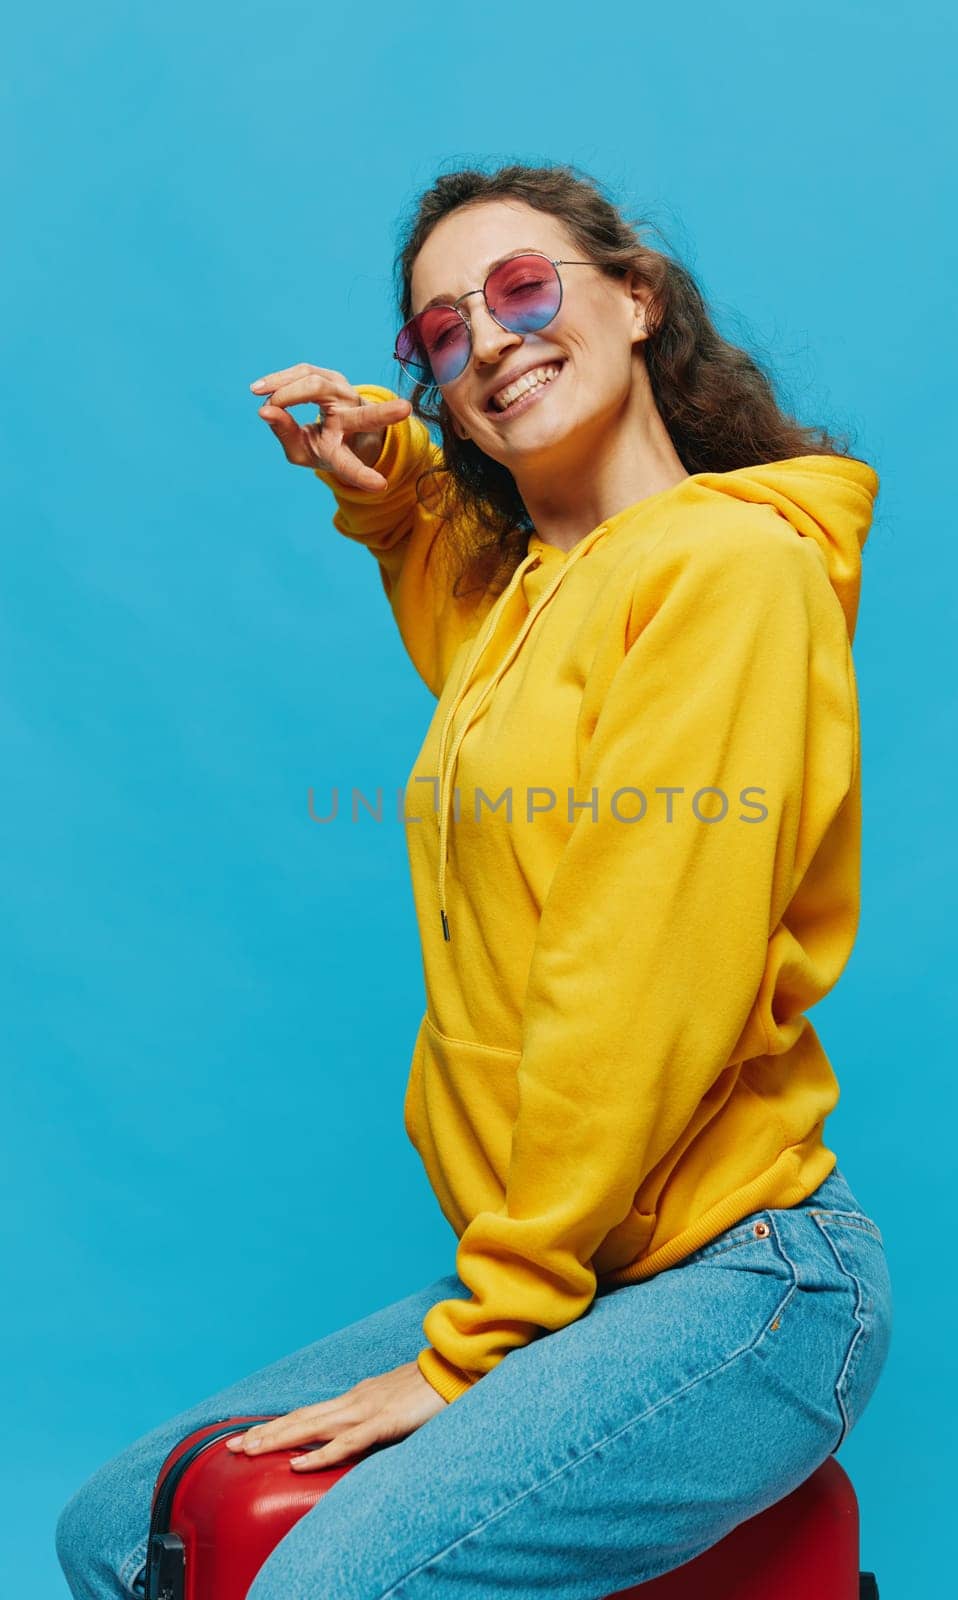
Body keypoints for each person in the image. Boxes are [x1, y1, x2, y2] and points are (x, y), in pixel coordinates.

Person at [55, 161, 893, 1600]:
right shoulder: (539, 597)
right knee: (121, 1530)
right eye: (444, 331)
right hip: (589, 1279)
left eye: (520, 289)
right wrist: (396, 502)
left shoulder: (728, 574)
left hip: (749, 1286)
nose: (488, 339)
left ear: (637, 300)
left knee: (329, 1585)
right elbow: (505, 687)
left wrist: (481, 1342)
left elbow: (631, 985)